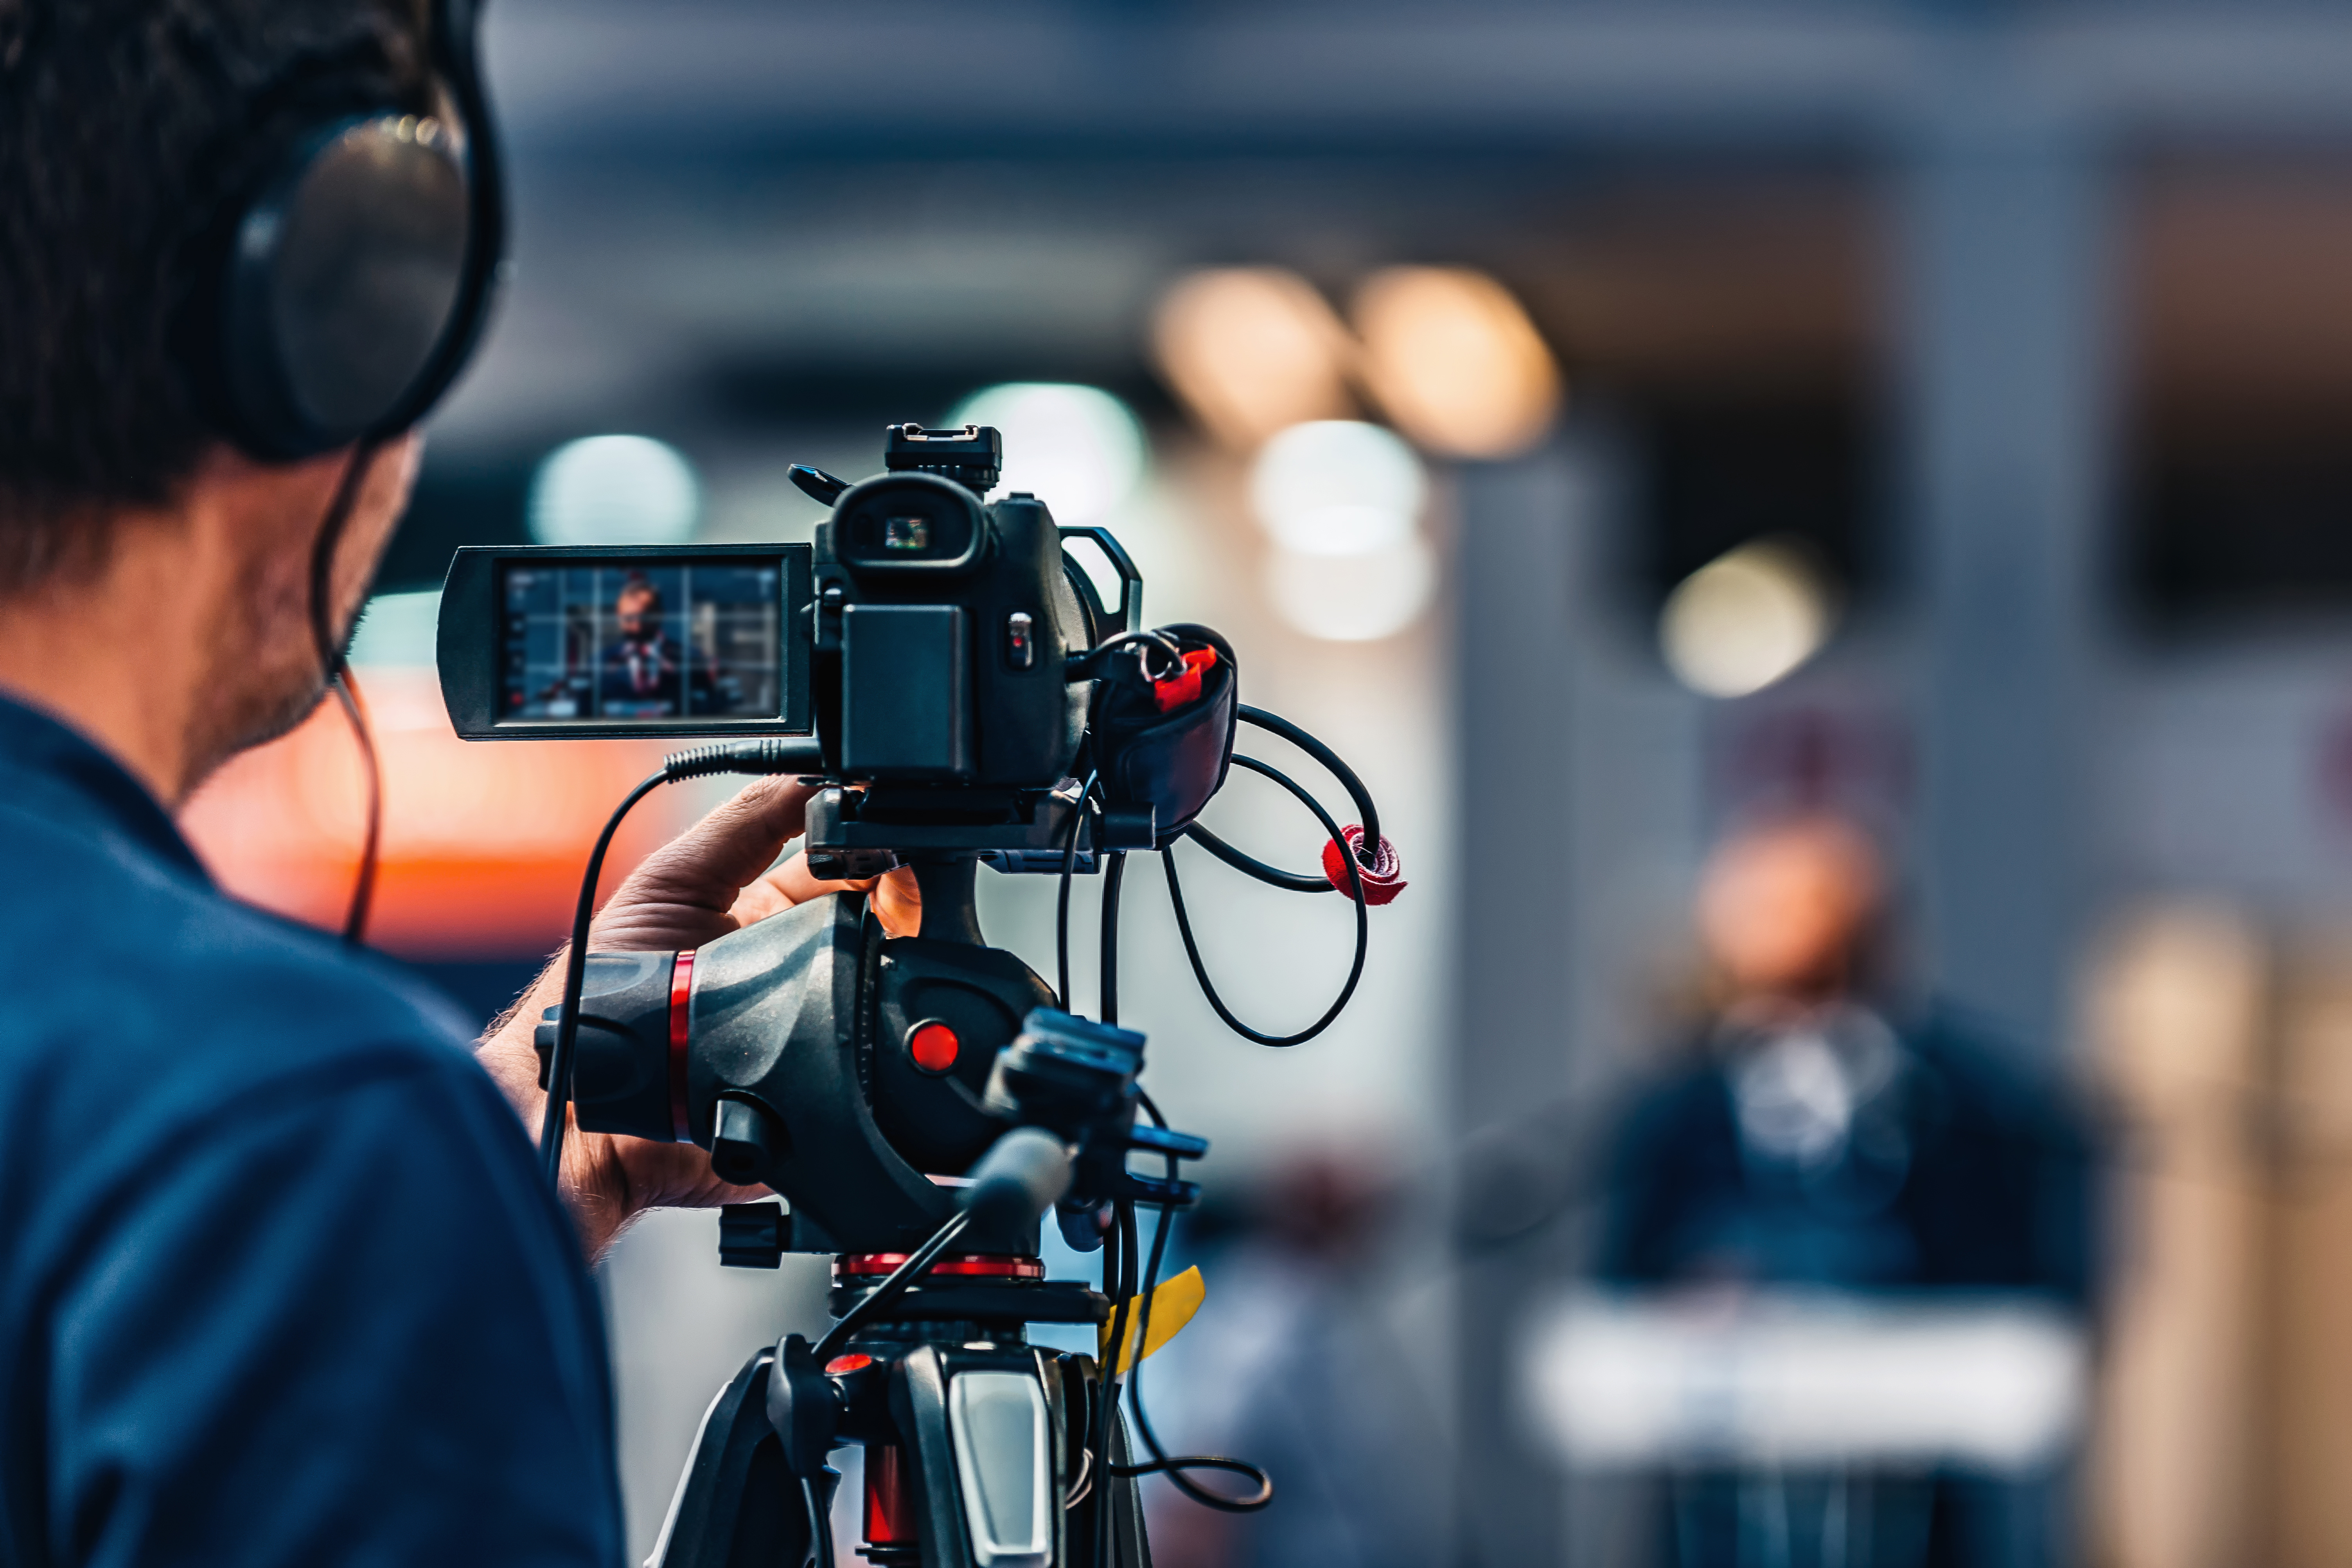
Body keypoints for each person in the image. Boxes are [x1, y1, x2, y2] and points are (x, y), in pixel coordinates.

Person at [0, 3, 910, 1558]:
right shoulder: (289, 1133)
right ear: (324, 335)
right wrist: (368, 1184)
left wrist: (523, 1137)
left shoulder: (260, 1149)